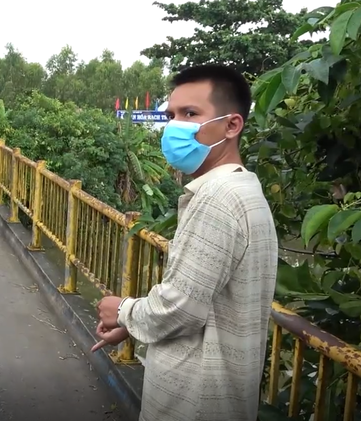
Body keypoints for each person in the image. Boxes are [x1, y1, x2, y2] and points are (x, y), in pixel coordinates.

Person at [92, 65, 278, 421]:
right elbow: (200, 297)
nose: (175, 125)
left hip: (194, 403)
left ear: (232, 125)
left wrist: (123, 311)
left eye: (191, 114)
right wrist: (132, 326)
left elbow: (180, 310)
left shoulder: (217, 199)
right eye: (171, 115)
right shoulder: (244, 189)